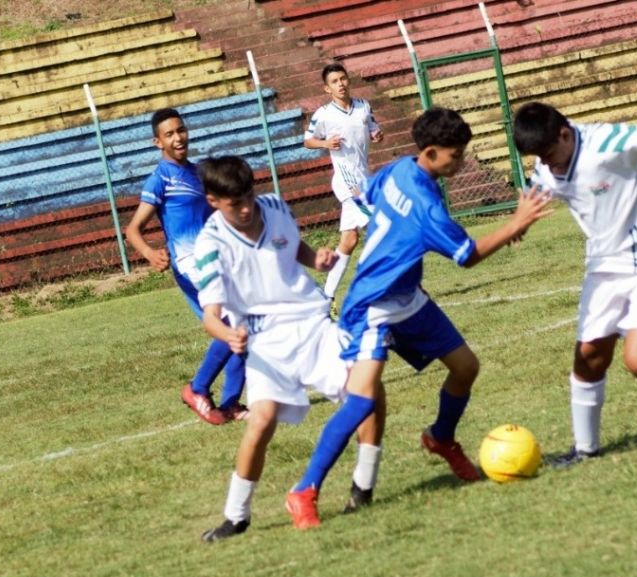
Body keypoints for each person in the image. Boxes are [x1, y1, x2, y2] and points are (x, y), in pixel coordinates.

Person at [284, 107, 554, 529]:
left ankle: (440, 438)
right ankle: (304, 490)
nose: (460, 162)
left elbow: (371, 200)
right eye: (455, 155)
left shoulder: (397, 168)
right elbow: (468, 257)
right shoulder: (428, 209)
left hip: (407, 295)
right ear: (430, 152)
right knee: (361, 401)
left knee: (465, 367)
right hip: (372, 305)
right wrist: (515, 222)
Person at [192, 156, 386, 541]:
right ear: (213, 201)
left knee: (369, 391)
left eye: (249, 197)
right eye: (235, 204)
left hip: (313, 323)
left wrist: (316, 258)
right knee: (261, 421)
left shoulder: (276, 206)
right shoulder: (210, 245)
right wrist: (228, 335)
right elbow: (210, 315)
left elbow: (292, 247)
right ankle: (236, 516)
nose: (247, 209)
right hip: (265, 340)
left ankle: (363, 488)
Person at [512, 101, 637, 468]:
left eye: (551, 154)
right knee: (589, 356)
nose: (547, 163)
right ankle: (585, 450)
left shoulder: (605, 141)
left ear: (565, 133)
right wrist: (521, 221)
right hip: (603, 265)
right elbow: (540, 190)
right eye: (539, 158)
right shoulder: (546, 162)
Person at [124, 108, 246, 426]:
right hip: (189, 264)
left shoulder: (199, 172)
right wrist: (150, 254)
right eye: (169, 134)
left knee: (245, 322)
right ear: (157, 142)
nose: (178, 138)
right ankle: (197, 389)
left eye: (181, 130)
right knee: (232, 323)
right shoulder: (160, 178)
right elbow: (133, 228)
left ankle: (231, 404)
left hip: (216, 259)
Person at [303, 63, 384, 312]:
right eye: (335, 81)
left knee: (349, 240)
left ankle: (325, 297)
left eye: (343, 78)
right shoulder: (324, 114)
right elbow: (307, 141)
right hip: (348, 182)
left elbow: (373, 127)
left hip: (364, 176)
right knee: (381, 227)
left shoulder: (363, 106)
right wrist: (325, 142)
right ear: (327, 88)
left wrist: (377, 134)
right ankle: (382, 288)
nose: (340, 84)